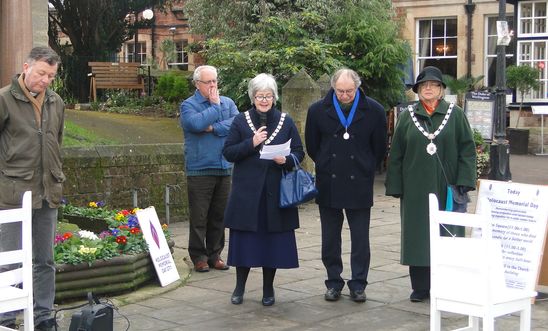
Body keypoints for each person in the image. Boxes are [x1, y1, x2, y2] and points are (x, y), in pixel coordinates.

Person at [385, 66, 476, 302]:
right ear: (417, 90)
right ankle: (420, 287)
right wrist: (395, 186)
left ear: (441, 90)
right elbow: (396, 154)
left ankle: (446, 284)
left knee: (448, 233)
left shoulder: (455, 115)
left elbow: (467, 150)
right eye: (423, 85)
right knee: (418, 236)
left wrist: (465, 181)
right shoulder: (408, 117)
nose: (428, 88)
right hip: (415, 189)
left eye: (433, 85)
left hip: (447, 186)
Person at [305, 68, 387, 303]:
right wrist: (324, 162)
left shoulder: (374, 110)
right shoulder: (317, 110)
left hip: (359, 180)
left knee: (360, 238)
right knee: (330, 237)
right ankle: (333, 282)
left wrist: (366, 165)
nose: (344, 95)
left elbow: (379, 147)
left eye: (349, 91)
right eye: (340, 91)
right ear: (333, 87)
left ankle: (358, 283)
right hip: (329, 179)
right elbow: (312, 145)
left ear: (357, 87)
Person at [222, 73, 304, 306]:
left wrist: (286, 160)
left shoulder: (285, 121)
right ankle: (239, 288)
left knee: (272, 246)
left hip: (275, 194)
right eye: (260, 96)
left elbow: (299, 151)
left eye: (268, 96)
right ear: (253, 97)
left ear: (274, 97)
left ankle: (268, 289)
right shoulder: (240, 121)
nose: (264, 100)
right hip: (247, 195)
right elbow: (228, 153)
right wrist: (252, 143)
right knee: (244, 245)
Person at [0, 46, 65, 330]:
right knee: (9, 258)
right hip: (13, 193)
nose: (46, 80)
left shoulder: (56, 102)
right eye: (41, 73)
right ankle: (6, 316)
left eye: (51, 75)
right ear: (26, 68)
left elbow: (57, 143)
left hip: (48, 192)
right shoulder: (4, 99)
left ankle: (43, 316)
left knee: (44, 260)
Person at [180, 65, 239, 272]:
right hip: (200, 169)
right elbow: (195, 125)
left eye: (215, 81)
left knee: (219, 216)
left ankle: (215, 254)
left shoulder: (229, 103)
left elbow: (236, 125)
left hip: (223, 167)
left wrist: (213, 127)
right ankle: (198, 256)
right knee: (199, 216)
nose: (213, 85)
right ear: (197, 84)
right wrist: (214, 108)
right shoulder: (189, 105)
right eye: (208, 82)